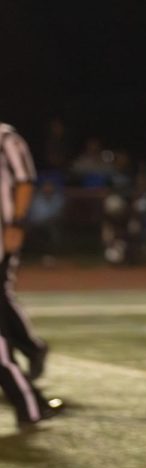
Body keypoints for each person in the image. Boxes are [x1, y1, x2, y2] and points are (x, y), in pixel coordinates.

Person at [0, 122, 58, 429]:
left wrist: (16, 224)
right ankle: (29, 397)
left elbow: (24, 181)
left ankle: (29, 402)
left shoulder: (6, 137)